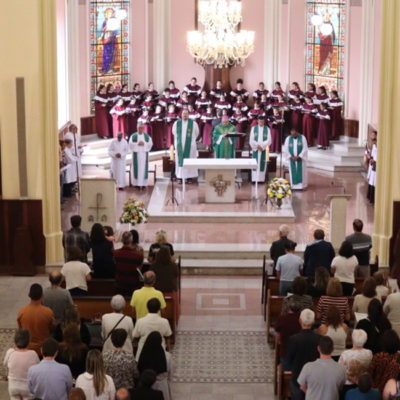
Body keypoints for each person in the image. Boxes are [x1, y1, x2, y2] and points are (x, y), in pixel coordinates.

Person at [286, 309, 321, 400]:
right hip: (314, 378)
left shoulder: (294, 339)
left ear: (300, 321)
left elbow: (289, 358)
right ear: (313, 322)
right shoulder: (319, 339)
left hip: (297, 377)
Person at [298, 336, 346, 400]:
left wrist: (311, 394)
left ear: (318, 348)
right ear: (333, 349)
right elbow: (340, 387)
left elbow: (302, 386)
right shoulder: (341, 368)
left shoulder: (308, 367)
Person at [17, 284, 55, 356]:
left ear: (29, 295)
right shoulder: (48, 312)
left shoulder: (22, 311)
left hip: (27, 348)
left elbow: (20, 330)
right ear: (42, 296)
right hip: (44, 349)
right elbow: (52, 328)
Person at [3, 329, 40, 400]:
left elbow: (5, 364)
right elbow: (37, 368)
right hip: (27, 387)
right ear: (29, 342)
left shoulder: (10, 352)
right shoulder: (33, 354)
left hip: (13, 386)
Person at [138, 331, 172, 400]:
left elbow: (139, 369)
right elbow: (170, 372)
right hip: (162, 385)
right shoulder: (167, 356)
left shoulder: (143, 354)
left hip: (146, 386)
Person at [172, 108, 199, 183]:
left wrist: (191, 141)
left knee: (190, 160)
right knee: (180, 160)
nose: (185, 115)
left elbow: (196, 133)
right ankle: (180, 177)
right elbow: (174, 133)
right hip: (179, 145)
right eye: (183, 113)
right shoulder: (177, 123)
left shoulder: (193, 123)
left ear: (188, 115)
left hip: (190, 146)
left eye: (186, 114)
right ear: (181, 114)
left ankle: (189, 177)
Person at [275, 297, 302, 370]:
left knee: (286, 374)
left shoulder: (282, 318)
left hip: (285, 352)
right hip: (300, 353)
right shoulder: (302, 319)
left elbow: (278, 338)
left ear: (288, 307)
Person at [114, 231, 144, 296]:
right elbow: (139, 269)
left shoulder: (115, 253)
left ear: (122, 240)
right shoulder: (138, 255)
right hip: (132, 286)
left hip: (119, 285)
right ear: (131, 240)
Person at [128, 123, 153, 189]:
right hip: (136, 155)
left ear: (144, 128)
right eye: (139, 128)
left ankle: (144, 184)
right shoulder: (133, 136)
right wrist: (137, 144)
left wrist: (144, 143)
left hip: (144, 156)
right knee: (136, 169)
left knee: (143, 169)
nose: (140, 129)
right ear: (137, 128)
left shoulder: (147, 136)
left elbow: (150, 144)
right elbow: (130, 144)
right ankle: (136, 184)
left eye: (141, 128)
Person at [249, 116, 271, 183]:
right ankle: (254, 179)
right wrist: (257, 146)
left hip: (263, 150)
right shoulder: (254, 128)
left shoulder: (267, 129)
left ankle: (261, 180)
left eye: (262, 121)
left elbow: (269, 140)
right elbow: (251, 139)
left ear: (264, 121)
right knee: (255, 163)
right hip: (256, 149)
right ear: (257, 121)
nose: (261, 123)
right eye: (260, 121)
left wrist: (263, 146)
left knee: (262, 164)